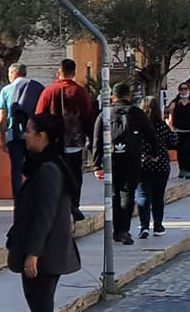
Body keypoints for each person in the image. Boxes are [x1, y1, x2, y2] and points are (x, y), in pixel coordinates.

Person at [7, 113, 80, 312]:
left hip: (45, 255)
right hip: (44, 252)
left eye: (29, 131)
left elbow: (44, 216)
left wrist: (33, 254)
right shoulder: (44, 166)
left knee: (41, 305)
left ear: (42, 136)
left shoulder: (49, 170)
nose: (25, 136)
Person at [36, 59, 96, 221]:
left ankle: (58, 205)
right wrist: (92, 138)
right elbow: (88, 117)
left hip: (53, 142)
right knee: (75, 175)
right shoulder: (80, 92)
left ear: (58, 72)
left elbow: (39, 115)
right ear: (74, 73)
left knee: (55, 174)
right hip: (74, 142)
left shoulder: (48, 92)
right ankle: (74, 204)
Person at [104, 83, 154, 247]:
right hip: (131, 160)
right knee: (127, 194)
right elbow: (150, 134)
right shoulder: (137, 113)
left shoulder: (106, 113)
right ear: (129, 96)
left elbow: (97, 137)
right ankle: (123, 230)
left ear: (114, 96)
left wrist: (97, 163)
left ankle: (116, 230)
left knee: (113, 195)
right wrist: (153, 154)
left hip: (111, 160)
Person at [0, 62, 46, 199]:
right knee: (35, 169)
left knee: (16, 172)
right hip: (34, 136)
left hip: (15, 136)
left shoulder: (6, 90)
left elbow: (1, 118)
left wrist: (3, 139)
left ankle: (18, 201)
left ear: (13, 73)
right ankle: (35, 198)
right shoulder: (37, 87)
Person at [135, 97, 175, 238]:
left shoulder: (138, 126)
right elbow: (174, 141)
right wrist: (170, 125)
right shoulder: (162, 126)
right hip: (161, 165)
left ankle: (144, 226)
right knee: (158, 197)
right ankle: (158, 226)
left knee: (143, 195)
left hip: (142, 164)